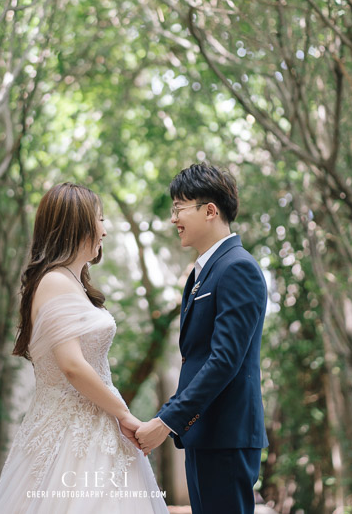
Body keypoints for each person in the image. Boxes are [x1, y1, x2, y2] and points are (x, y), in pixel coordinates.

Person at [0, 182, 168, 514]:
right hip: (69, 432)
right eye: (100, 219)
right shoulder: (54, 281)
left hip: (95, 423)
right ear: (76, 225)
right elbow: (72, 365)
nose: (105, 231)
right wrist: (124, 413)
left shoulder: (73, 283)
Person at [135, 163, 268, 514]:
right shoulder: (203, 271)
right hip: (204, 433)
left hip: (226, 435)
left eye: (179, 208)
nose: (173, 218)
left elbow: (224, 360)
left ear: (210, 210)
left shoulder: (238, 267)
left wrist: (166, 420)